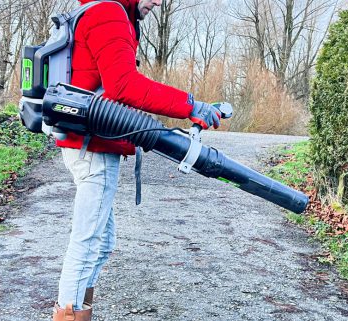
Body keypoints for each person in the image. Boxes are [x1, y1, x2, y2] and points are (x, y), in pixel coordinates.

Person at [52, 0, 223, 320]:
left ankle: (76, 308)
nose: (158, 2)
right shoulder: (108, 13)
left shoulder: (105, 11)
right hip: (94, 148)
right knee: (87, 244)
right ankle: (70, 312)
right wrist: (189, 105)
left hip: (89, 143)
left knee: (100, 244)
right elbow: (124, 85)